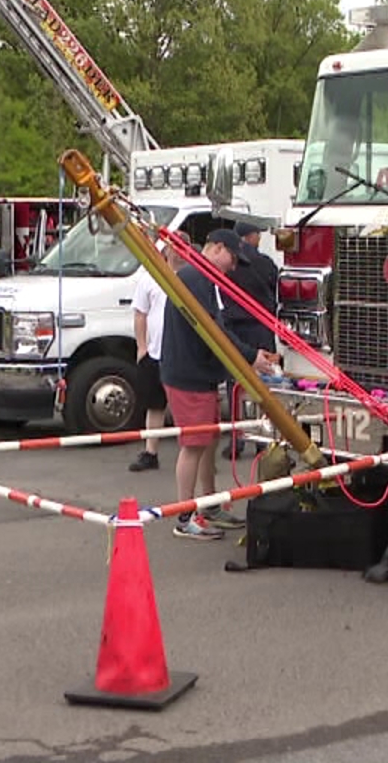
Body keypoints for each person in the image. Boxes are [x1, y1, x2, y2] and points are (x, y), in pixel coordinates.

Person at [159, 229, 278, 540]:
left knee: (207, 442)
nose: (234, 266)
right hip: (189, 374)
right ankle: (184, 516)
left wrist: (248, 356)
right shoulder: (197, 279)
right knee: (194, 445)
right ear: (218, 249)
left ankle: (208, 503)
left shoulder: (201, 278)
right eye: (233, 258)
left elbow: (218, 329)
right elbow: (213, 331)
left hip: (198, 372)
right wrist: (250, 357)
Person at [218, 220, 280, 459]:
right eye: (257, 234)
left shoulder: (228, 265)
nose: (259, 239)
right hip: (261, 329)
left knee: (236, 387)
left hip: (234, 330)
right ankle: (263, 440)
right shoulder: (265, 263)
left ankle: (237, 440)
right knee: (263, 386)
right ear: (249, 237)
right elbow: (276, 288)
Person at [127, 243, 171, 473]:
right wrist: (141, 347)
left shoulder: (192, 278)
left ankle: (199, 455)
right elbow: (140, 314)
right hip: (155, 352)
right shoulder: (149, 278)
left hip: (184, 355)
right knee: (155, 405)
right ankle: (150, 452)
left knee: (191, 404)